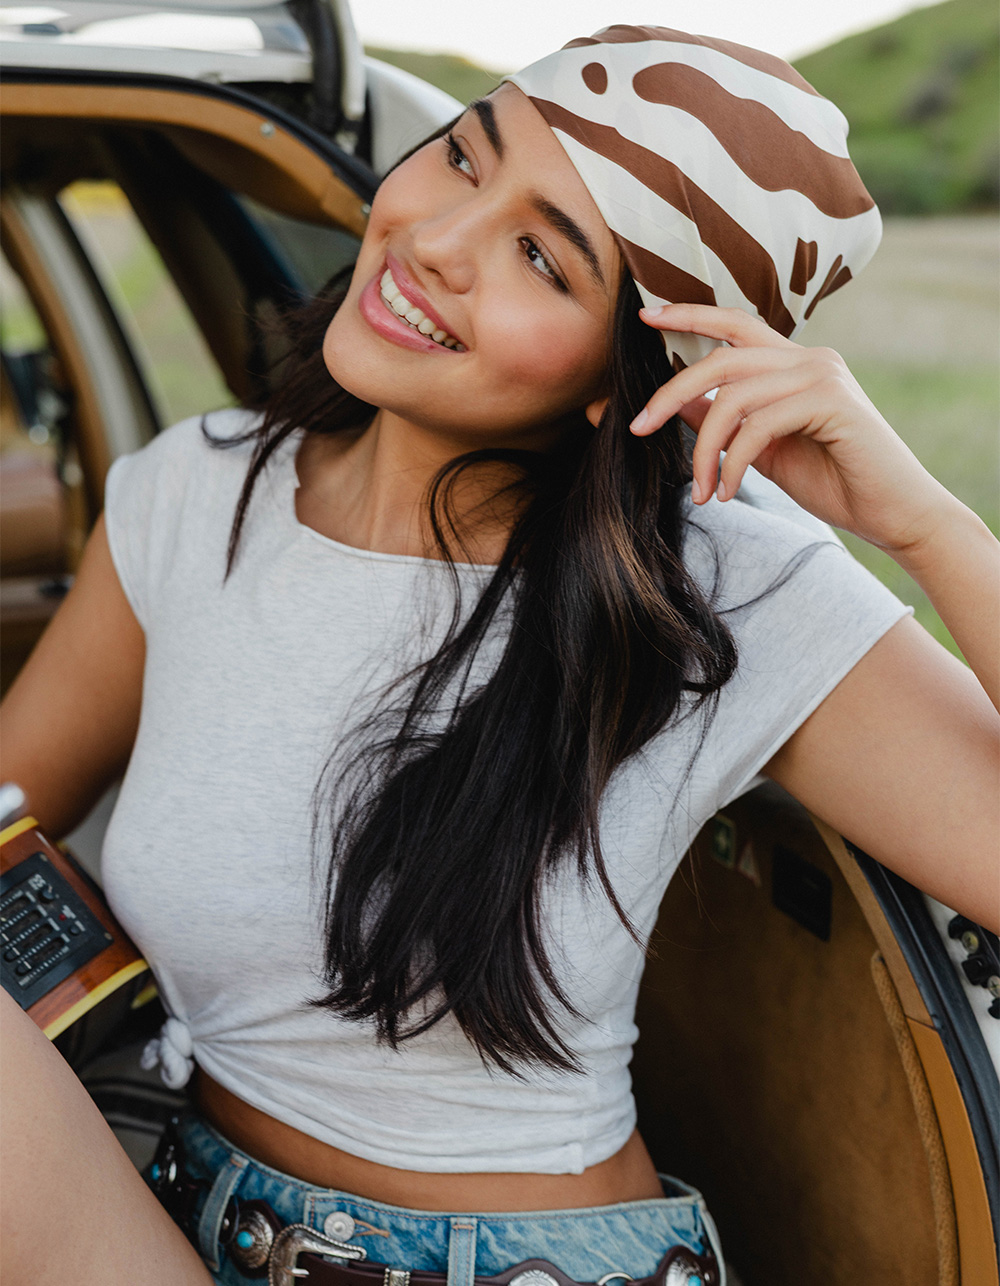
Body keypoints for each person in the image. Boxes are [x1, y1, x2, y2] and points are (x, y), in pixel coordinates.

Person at [1, 24, 997, 1286]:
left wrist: (930, 527)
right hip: (189, 1209)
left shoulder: (721, 585)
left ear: (629, 371)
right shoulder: (195, 494)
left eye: (541, 255)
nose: (435, 242)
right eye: (465, 158)